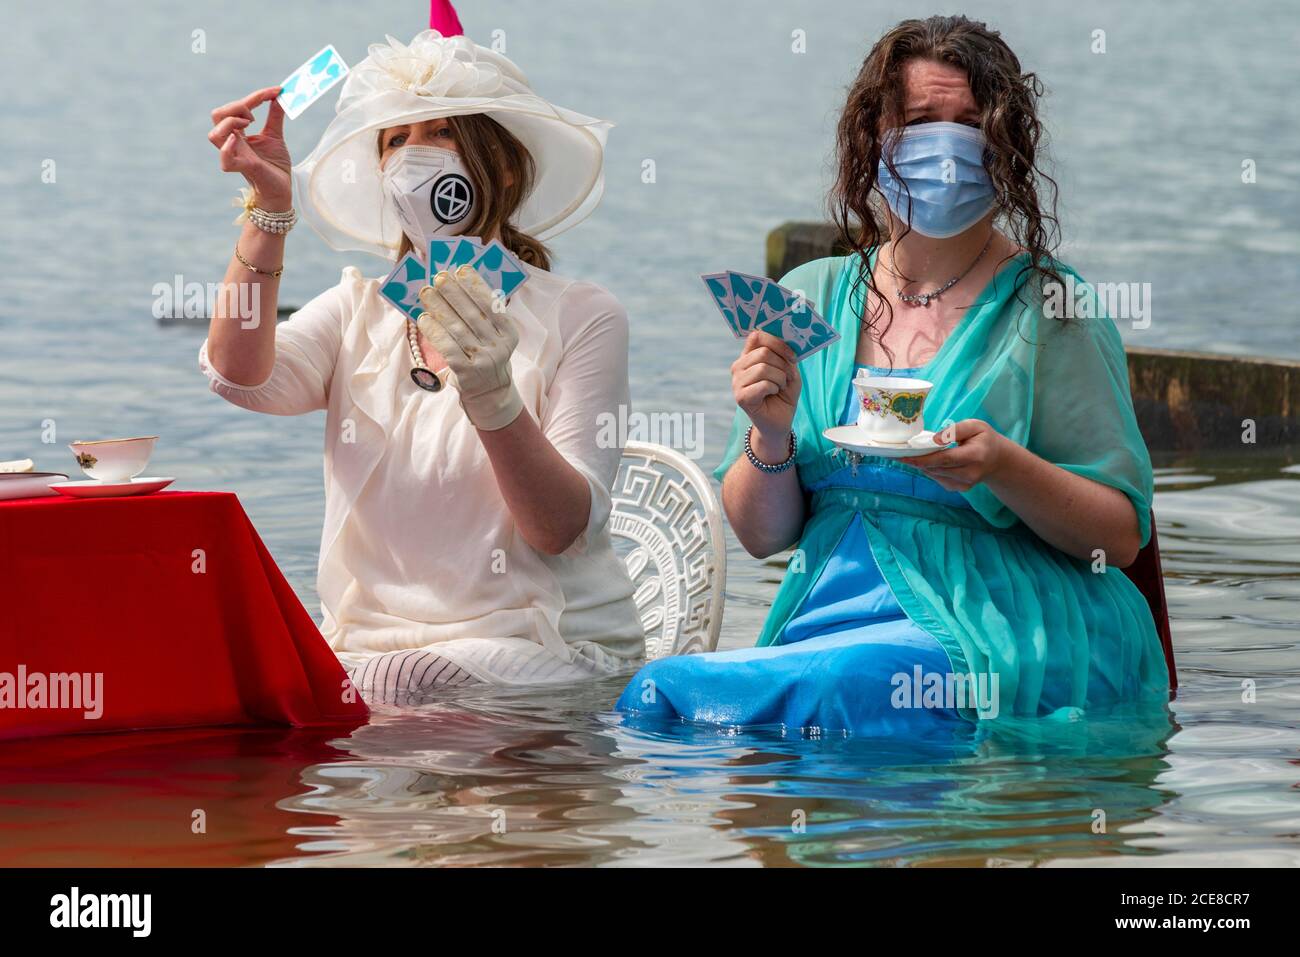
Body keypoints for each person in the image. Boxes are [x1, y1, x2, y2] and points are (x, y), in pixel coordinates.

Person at [616, 14, 1169, 734]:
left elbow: (1119, 537)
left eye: (970, 124)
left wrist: (1002, 466)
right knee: (657, 696)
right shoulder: (812, 293)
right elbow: (761, 535)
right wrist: (770, 432)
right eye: (920, 120)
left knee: (841, 693)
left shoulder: (1052, 307)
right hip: (828, 616)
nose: (947, 146)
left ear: (1004, 146)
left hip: (999, 619)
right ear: (873, 135)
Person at [198, 29, 644, 701]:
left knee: (400, 679)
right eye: (394, 141)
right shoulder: (361, 308)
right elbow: (238, 374)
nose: (414, 157)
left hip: (541, 646)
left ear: (504, 167)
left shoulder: (580, 315)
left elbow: (559, 530)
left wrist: (494, 398)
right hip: (369, 651)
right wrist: (269, 208)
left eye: (440, 133)